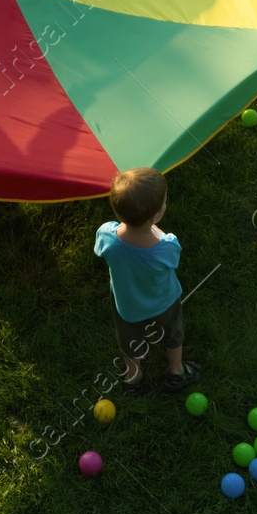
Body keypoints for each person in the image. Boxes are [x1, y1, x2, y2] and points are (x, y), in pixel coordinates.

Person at [94, 167, 202, 394]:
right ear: (156, 216)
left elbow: (100, 249)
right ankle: (176, 372)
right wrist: (154, 230)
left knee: (130, 343)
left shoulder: (107, 236)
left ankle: (133, 379)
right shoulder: (166, 246)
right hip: (164, 304)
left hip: (127, 307)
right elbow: (173, 260)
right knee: (172, 334)